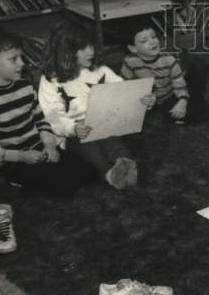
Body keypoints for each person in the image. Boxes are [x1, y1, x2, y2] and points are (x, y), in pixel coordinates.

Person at [0, 25, 96, 199]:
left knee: (88, 170)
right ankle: (21, 185)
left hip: (39, 147)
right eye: (13, 59)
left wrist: (50, 145)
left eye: (21, 57)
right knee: (64, 187)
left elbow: (40, 120)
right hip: (12, 160)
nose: (22, 63)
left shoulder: (25, 86)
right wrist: (20, 156)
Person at [38, 21, 151, 190]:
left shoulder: (101, 70)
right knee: (90, 149)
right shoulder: (51, 80)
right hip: (73, 132)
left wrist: (142, 100)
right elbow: (53, 115)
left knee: (112, 142)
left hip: (103, 123)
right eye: (83, 48)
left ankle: (125, 164)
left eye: (91, 45)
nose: (90, 51)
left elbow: (123, 91)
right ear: (65, 52)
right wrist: (73, 128)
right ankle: (108, 173)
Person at [121, 18, 209, 125]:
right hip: (160, 100)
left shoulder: (168, 60)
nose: (152, 42)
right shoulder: (130, 62)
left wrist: (183, 101)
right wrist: (140, 98)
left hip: (175, 90)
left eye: (153, 37)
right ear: (133, 48)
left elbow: (179, 84)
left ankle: (201, 105)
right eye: (144, 41)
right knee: (176, 114)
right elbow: (125, 85)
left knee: (198, 64)